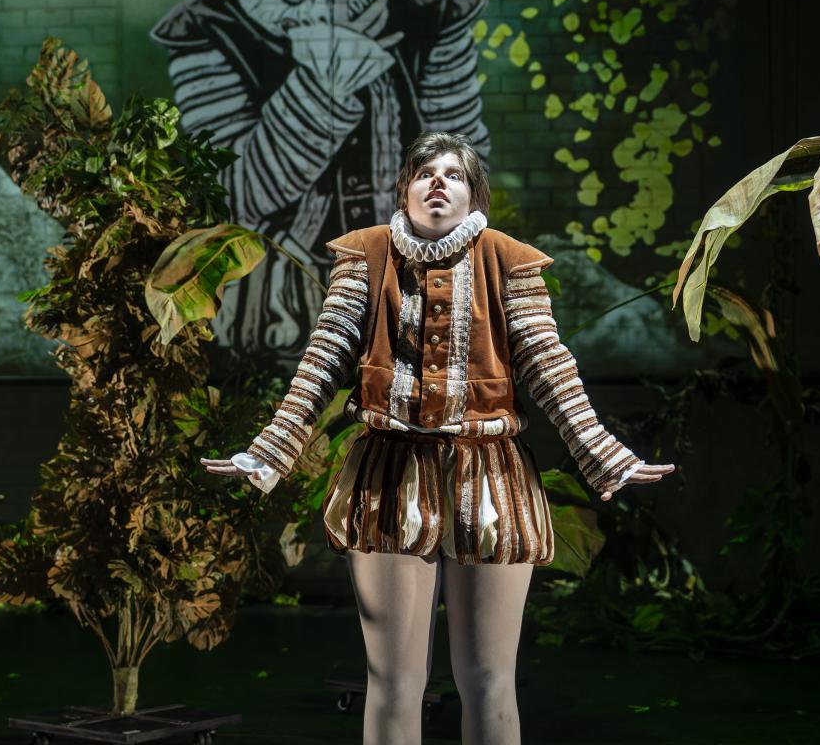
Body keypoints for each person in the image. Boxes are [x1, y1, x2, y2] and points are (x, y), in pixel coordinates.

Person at [203, 131, 675, 745]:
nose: (438, 183)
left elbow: (549, 368)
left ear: (473, 193)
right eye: (425, 173)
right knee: (393, 681)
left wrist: (604, 454)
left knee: (488, 680)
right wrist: (268, 450)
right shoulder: (366, 255)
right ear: (404, 189)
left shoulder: (508, 260)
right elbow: (322, 362)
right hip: (390, 471)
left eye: (453, 175)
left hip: (491, 473)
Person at [152, 0, 490, 358]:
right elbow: (233, 193)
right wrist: (322, 87)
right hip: (274, 312)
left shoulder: (432, 11)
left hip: (414, 296)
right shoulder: (208, 29)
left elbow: (466, 170)